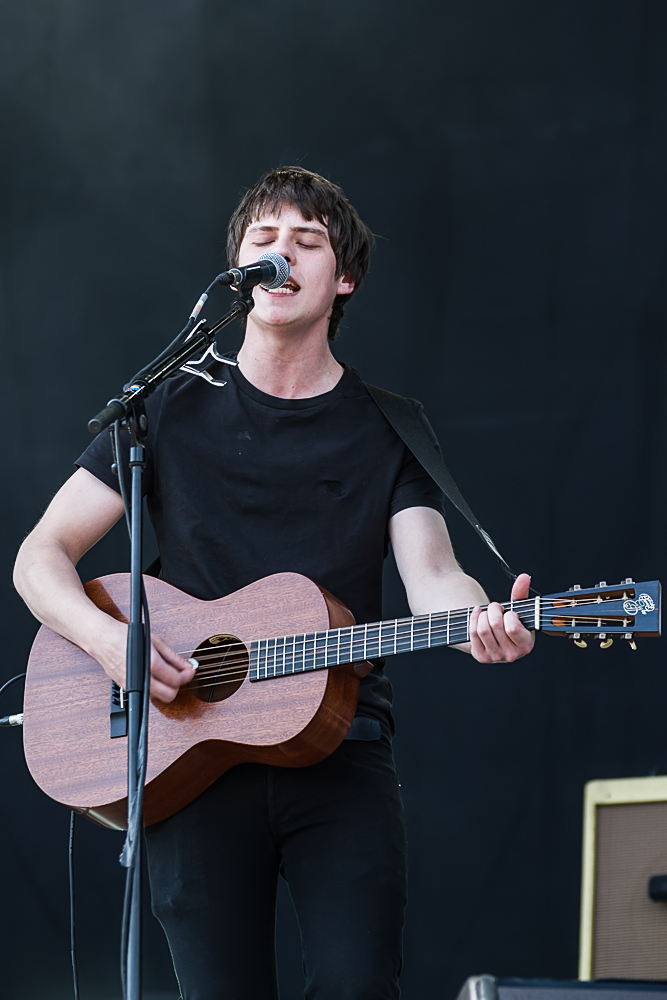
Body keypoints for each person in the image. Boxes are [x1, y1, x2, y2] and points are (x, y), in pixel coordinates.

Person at [13, 167, 534, 1000]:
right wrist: (111, 641)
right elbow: (39, 556)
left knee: (358, 986)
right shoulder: (166, 408)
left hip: (340, 746)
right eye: (263, 239)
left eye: (306, 241)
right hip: (187, 754)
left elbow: (434, 574)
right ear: (239, 272)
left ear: (343, 277)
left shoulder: (389, 426)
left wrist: (477, 621)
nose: (280, 253)